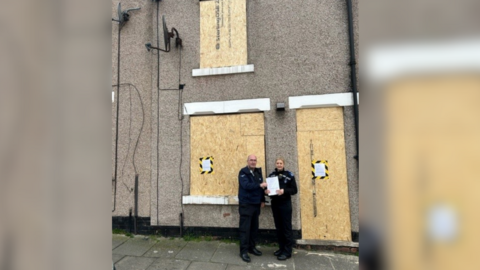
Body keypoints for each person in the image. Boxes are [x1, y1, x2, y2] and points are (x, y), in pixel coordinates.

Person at [265, 157, 298, 260]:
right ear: (275, 164)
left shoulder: (289, 175)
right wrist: (266, 192)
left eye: (281, 163)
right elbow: (267, 189)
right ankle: (281, 248)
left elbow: (294, 190)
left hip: (285, 204)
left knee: (286, 228)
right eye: (277, 163)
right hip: (275, 204)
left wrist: (284, 191)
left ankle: (287, 251)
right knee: (279, 228)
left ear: (283, 164)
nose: (279, 165)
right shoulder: (271, 176)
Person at [238, 154, 268, 263]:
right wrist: (260, 185)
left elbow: (261, 189)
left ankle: (252, 247)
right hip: (246, 205)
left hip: (256, 205)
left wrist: (263, 199)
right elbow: (246, 186)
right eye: (251, 160)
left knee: (254, 228)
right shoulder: (243, 173)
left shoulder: (258, 172)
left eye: (255, 160)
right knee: (245, 229)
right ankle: (243, 251)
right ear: (247, 161)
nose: (253, 162)